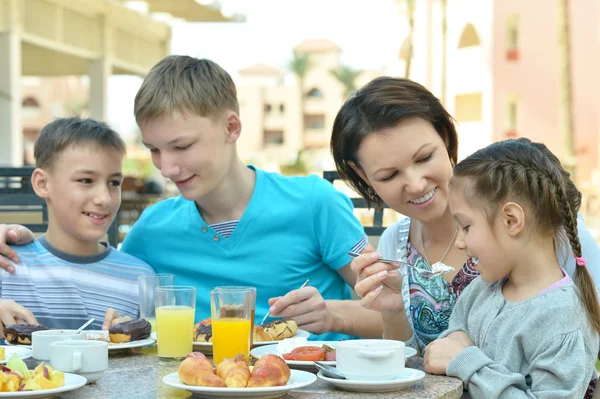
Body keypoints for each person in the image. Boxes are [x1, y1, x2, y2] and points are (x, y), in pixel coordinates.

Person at [0, 57, 378, 341]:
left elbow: (393, 315)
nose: (167, 167)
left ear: (231, 127)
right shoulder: (152, 229)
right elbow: (95, 268)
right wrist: (18, 240)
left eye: (181, 146)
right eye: (154, 150)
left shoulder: (315, 203)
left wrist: (333, 312)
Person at [330, 76, 600, 350]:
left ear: (445, 137)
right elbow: (412, 375)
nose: (415, 184)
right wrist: (393, 313)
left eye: (424, 158)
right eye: (389, 175)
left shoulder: (534, 220)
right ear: (363, 175)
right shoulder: (395, 246)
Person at [423, 138, 599, 398]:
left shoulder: (563, 320)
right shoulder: (481, 289)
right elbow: (449, 345)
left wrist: (466, 362)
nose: (459, 242)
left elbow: (458, 356)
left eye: (467, 226)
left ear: (511, 220)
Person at [0, 118, 155, 335]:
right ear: (42, 184)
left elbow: (152, 363)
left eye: (114, 183)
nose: (104, 199)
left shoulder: (140, 279)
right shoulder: (6, 265)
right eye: (85, 180)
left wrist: (136, 340)